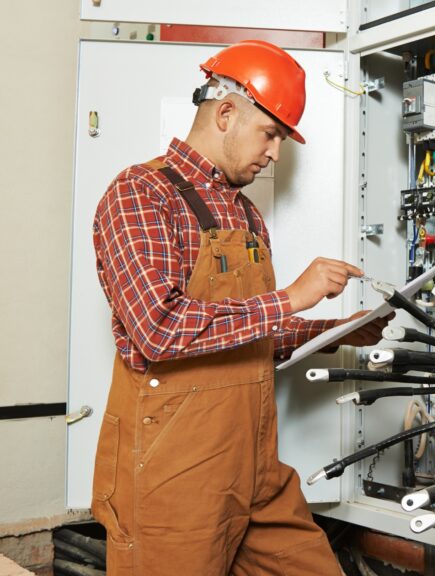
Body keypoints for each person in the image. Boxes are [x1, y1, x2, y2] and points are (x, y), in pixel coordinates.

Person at [91, 40, 382, 575]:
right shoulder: (140, 194)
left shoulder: (246, 215)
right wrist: (293, 296)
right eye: (270, 134)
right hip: (173, 482)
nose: (275, 153)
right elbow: (159, 329)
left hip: (255, 471)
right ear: (226, 112)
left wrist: (336, 332)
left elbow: (248, 331)